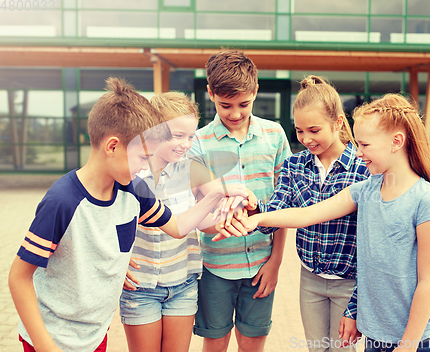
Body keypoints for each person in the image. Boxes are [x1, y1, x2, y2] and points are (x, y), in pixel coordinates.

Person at [8, 78, 247, 352]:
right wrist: (45, 346)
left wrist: (218, 194)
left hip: (96, 335)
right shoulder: (62, 201)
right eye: (143, 158)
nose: (145, 166)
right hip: (52, 338)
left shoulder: (134, 189)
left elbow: (178, 226)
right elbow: (19, 276)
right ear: (112, 146)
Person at [233, 93, 430, 352]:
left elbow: (428, 282)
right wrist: (256, 217)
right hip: (376, 335)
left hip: (420, 339)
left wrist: (407, 346)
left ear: (396, 142)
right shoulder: (365, 190)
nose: (358, 152)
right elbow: (306, 215)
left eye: (365, 145)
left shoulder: (426, 200)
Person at [243, 75, 370, 352]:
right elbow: (274, 217)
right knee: (316, 348)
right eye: (300, 131)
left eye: (314, 130)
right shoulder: (294, 165)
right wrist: (254, 209)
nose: (306, 139)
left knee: (341, 349)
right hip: (310, 279)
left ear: (337, 123)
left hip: (349, 282)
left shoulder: (363, 169)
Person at [188, 49, 292, 352]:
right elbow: (197, 210)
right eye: (225, 105)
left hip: (262, 263)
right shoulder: (198, 143)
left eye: (244, 104)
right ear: (210, 93)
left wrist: (276, 262)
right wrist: (219, 221)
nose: (235, 113)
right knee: (216, 343)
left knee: (252, 343)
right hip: (215, 266)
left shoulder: (275, 135)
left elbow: (282, 208)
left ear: (256, 91)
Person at [120, 91, 225, 352]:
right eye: (178, 136)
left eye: (191, 136)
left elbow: (213, 213)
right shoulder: (132, 174)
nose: (186, 144)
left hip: (183, 284)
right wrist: (115, 264)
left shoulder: (192, 169)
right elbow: (108, 224)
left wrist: (231, 216)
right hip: (140, 287)